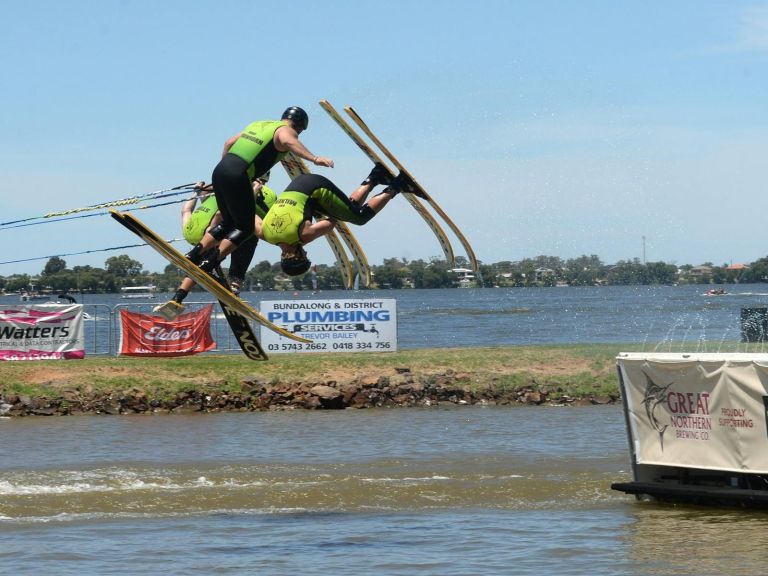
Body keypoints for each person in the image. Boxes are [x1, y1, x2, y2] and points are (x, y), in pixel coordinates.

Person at [154, 106, 332, 319]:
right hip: (238, 176)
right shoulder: (286, 130)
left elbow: (228, 143)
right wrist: (314, 158)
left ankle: (190, 266)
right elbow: (289, 141)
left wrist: (226, 170)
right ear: (299, 126)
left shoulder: (259, 125)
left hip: (220, 171)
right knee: (245, 228)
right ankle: (223, 273)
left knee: (231, 223)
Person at [152, 175, 277, 320]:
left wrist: (198, 191)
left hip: (214, 231)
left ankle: (177, 298)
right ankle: (234, 282)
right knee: (248, 235)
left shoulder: (222, 189)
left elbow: (199, 208)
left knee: (201, 263)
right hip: (233, 229)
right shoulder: (265, 193)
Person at [259, 165, 416, 276]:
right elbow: (248, 216)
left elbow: (331, 223)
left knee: (360, 217)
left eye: (305, 255)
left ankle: (398, 185)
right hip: (299, 184)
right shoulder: (264, 234)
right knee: (347, 211)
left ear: (297, 257)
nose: (306, 251)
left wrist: (312, 230)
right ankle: (376, 176)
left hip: (316, 187)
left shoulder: (304, 236)